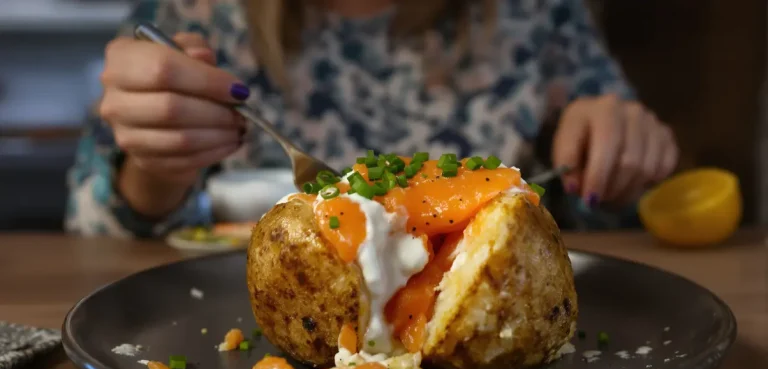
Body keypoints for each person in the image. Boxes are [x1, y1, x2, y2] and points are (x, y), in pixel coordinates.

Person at [66, 0, 678, 237]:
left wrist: (617, 148)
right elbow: (90, 232)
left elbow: (623, 213)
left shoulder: (536, 13)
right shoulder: (193, 11)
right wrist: (155, 172)